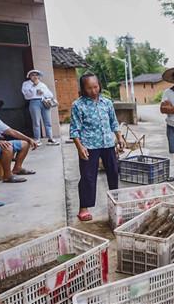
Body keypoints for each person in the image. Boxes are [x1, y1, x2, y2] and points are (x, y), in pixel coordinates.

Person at [70, 73, 125, 222]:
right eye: (89, 88)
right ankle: (84, 208)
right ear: (83, 88)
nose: (94, 91)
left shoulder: (106, 103)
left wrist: (119, 137)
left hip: (108, 143)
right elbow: (74, 129)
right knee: (88, 177)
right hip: (89, 145)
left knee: (113, 173)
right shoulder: (78, 105)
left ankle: (115, 203)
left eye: (96, 87)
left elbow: (114, 122)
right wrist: (79, 147)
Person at [0, 95, 38, 183]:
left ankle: (17, 168)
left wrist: (29, 139)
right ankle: (7, 176)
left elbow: (11, 131)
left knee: (25, 144)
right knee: (7, 147)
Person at [21, 69, 60, 146]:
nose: (35, 76)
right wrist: (34, 86)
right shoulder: (26, 84)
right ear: (29, 76)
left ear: (39, 76)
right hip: (34, 102)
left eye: (36, 75)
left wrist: (43, 93)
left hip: (44, 102)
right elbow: (26, 95)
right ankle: (37, 139)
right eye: (33, 75)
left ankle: (50, 138)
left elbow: (50, 95)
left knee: (48, 121)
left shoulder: (42, 84)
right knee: (36, 122)